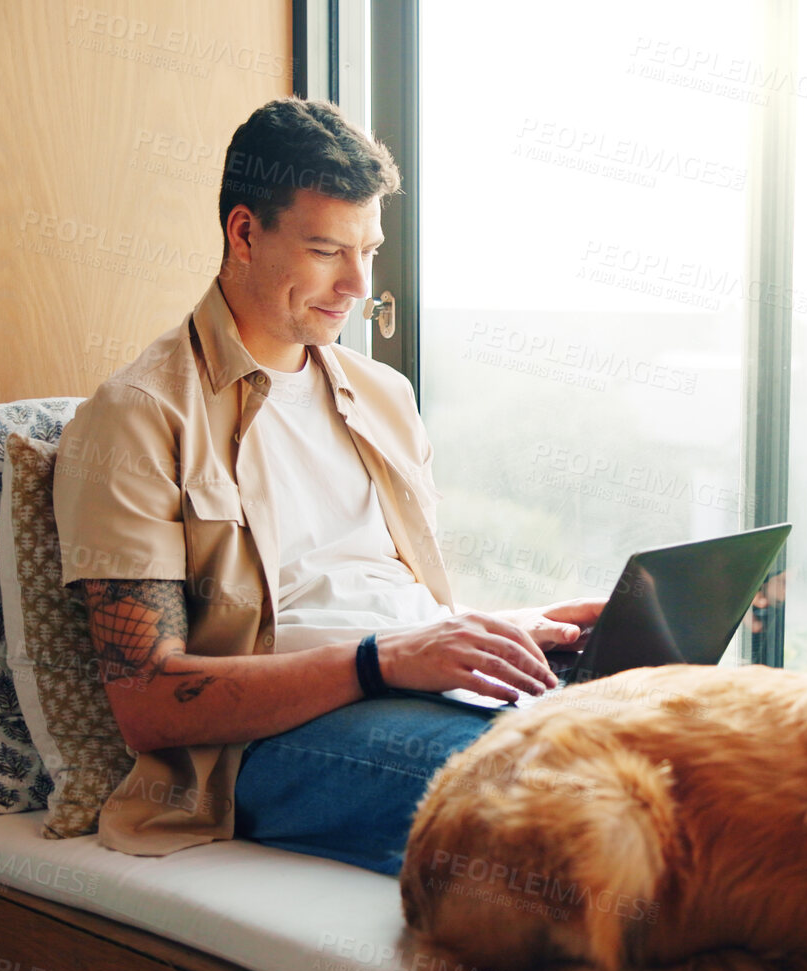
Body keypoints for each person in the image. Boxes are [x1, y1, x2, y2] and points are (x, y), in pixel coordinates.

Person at [54, 97, 601, 873]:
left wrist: (510, 627)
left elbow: (373, 598)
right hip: (269, 748)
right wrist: (383, 659)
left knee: (681, 731)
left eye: (368, 249)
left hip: (408, 689)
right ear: (244, 233)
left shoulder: (383, 397)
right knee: (571, 786)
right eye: (324, 250)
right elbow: (146, 702)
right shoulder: (140, 416)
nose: (355, 284)